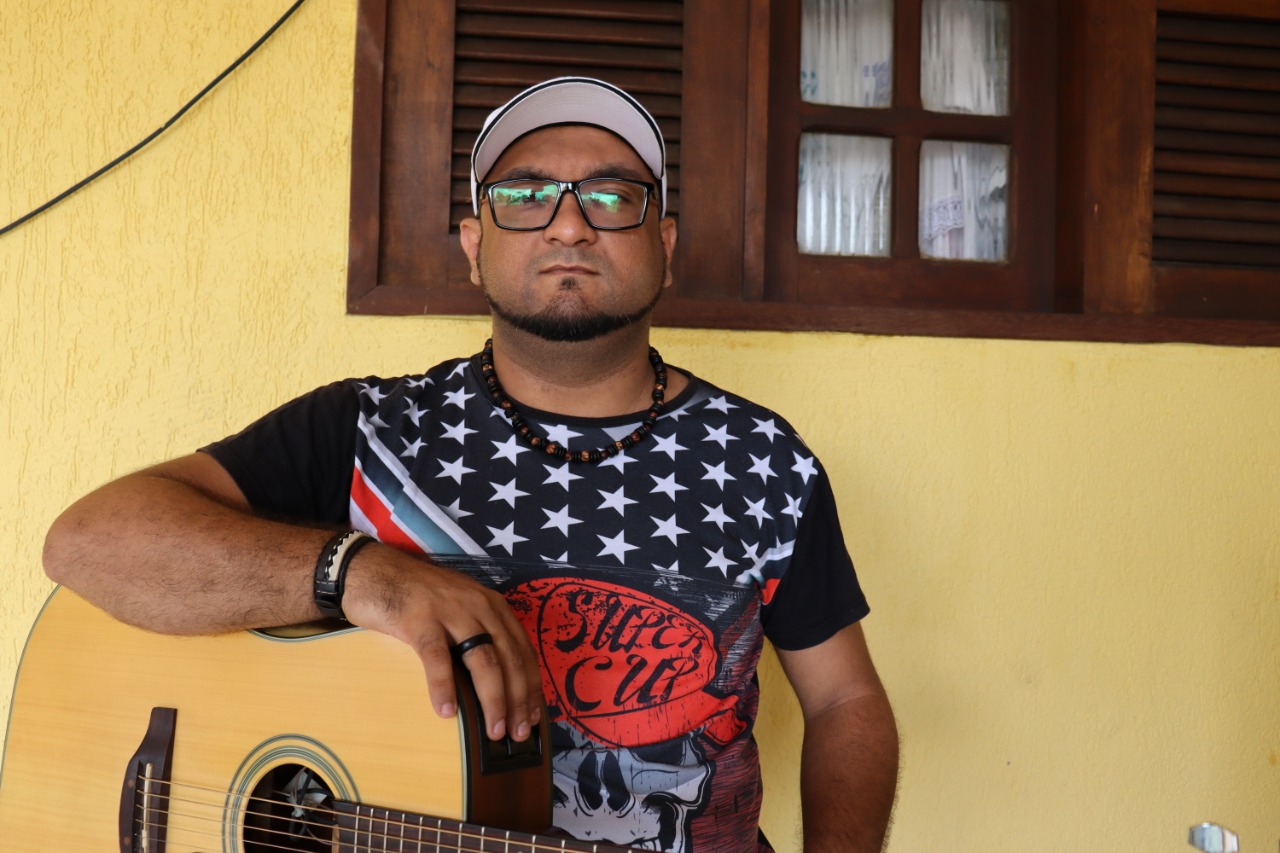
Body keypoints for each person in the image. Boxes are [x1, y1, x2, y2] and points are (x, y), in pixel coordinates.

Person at [43, 77, 898, 852]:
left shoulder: (762, 461)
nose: (570, 224)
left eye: (612, 196)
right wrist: (361, 574)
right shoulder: (369, 431)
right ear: (473, 242)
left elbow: (845, 702)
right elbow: (87, 541)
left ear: (666, 243)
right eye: (524, 196)